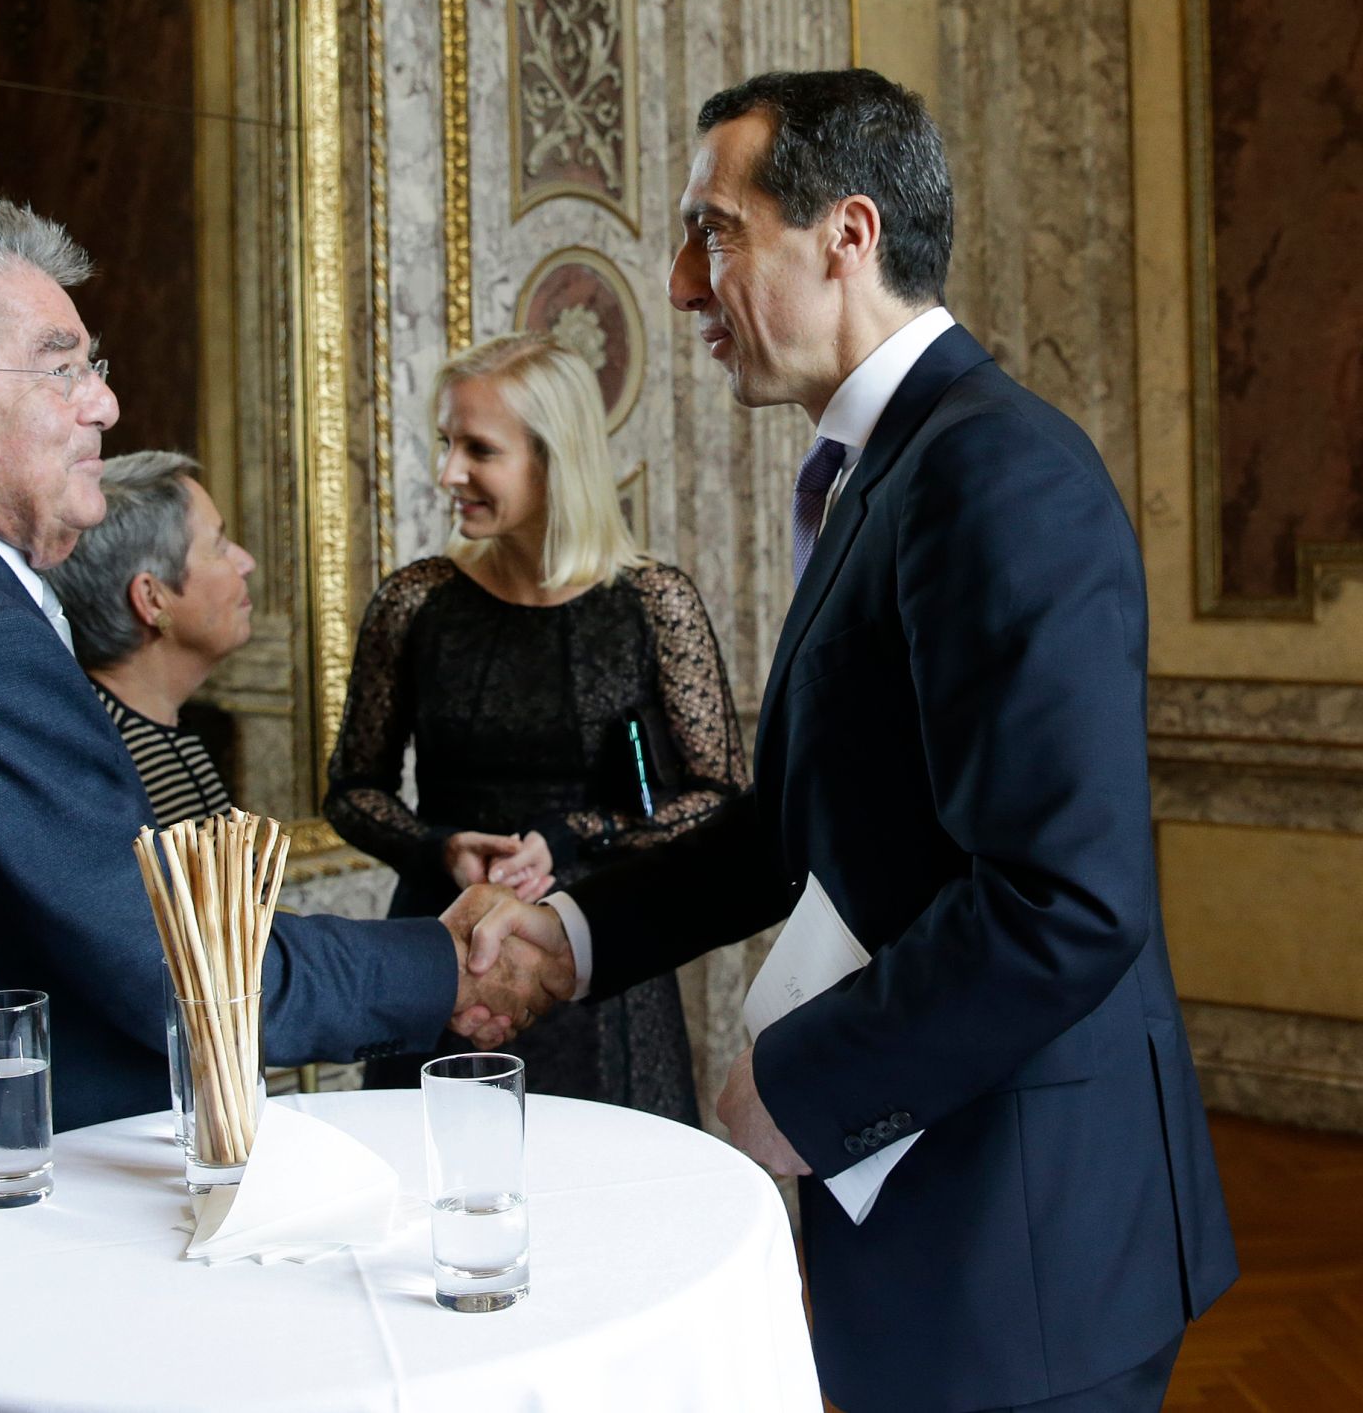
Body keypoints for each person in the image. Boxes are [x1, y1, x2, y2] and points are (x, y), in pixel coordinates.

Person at [447, 70, 1238, 1412]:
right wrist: (575, 933)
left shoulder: (998, 474)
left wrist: (799, 1089)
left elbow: (1066, 902)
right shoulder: (884, 466)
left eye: (714, 230)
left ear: (847, 234)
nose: (685, 288)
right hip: (948, 1218)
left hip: (1029, 1246)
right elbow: (802, 819)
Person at [0, 190, 571, 1413]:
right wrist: (447, 964)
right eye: (59, 367)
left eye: (94, 363)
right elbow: (181, 967)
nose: (104, 405)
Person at [325, 333, 746, 1122]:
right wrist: (440, 847)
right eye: (446, 443)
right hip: (445, 951)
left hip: (597, 958)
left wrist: (573, 835)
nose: (449, 472)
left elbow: (720, 796)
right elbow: (352, 790)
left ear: (554, 460)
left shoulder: (654, 602)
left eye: (478, 449)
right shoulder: (413, 602)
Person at [52, 450, 245, 824]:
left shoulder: (141, 729)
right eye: (219, 547)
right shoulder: (128, 765)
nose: (245, 562)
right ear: (152, 599)